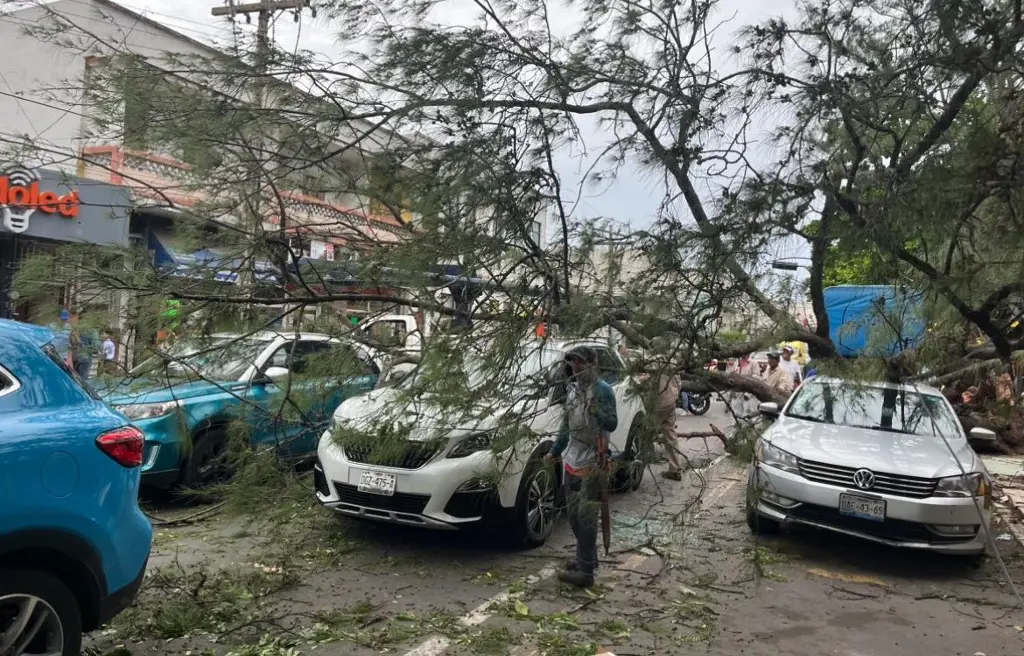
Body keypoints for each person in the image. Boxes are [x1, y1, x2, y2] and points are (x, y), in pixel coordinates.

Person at [546, 347, 617, 589]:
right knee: (573, 514)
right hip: (572, 456)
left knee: (586, 517)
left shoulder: (602, 390)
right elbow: (567, 425)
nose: (575, 368)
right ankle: (587, 556)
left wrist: (596, 409)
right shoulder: (573, 389)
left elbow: (612, 422)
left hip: (593, 458)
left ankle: (586, 572)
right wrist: (556, 450)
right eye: (573, 363)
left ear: (591, 364)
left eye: (579, 363)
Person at [653, 365, 684, 481]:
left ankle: (640, 461)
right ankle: (675, 469)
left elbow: (647, 382)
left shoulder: (654, 362)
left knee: (647, 430)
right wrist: (675, 395)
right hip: (671, 401)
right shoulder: (673, 362)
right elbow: (679, 382)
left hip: (660, 403)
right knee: (670, 434)